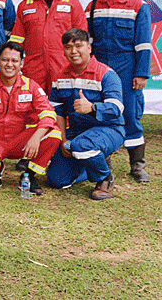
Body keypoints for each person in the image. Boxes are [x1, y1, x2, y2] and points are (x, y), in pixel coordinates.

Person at [86, 0, 152, 183]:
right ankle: (104, 159)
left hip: (127, 69)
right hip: (100, 69)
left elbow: (143, 43)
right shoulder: (93, 6)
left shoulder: (138, 6)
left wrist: (141, 74)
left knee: (130, 115)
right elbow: (88, 42)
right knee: (100, 114)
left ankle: (137, 166)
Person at [0, 41, 60, 195]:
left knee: (54, 133)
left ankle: (29, 176)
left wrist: (36, 137)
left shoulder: (31, 86)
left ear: (22, 64)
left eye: (14, 61)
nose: (9, 65)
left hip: (22, 141)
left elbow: (48, 113)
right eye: (5, 60)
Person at [47, 29, 125, 200]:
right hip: (77, 132)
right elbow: (58, 111)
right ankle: (92, 164)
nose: (73, 51)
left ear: (89, 48)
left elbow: (117, 108)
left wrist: (93, 108)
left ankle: (105, 178)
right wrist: (63, 139)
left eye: (78, 46)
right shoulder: (60, 77)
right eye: (68, 47)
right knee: (56, 180)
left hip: (109, 129)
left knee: (82, 146)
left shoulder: (106, 74)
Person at [9, 0, 87, 94]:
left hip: (65, 68)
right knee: (34, 110)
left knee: (65, 111)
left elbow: (82, 40)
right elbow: (17, 41)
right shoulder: (25, 6)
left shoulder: (72, 4)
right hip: (33, 70)